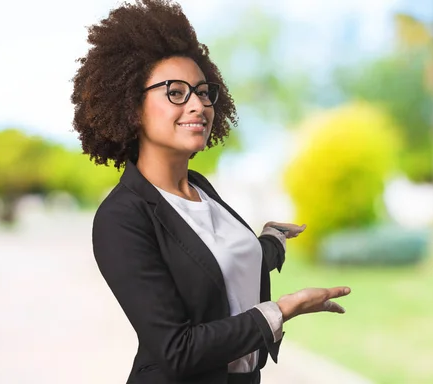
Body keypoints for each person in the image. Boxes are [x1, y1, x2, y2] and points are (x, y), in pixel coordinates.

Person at [71, 1, 351, 383]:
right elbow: (177, 350)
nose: (198, 105)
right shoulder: (122, 217)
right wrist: (281, 310)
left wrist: (269, 242)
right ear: (133, 108)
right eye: (176, 92)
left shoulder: (201, 189)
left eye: (204, 93)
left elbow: (208, 270)